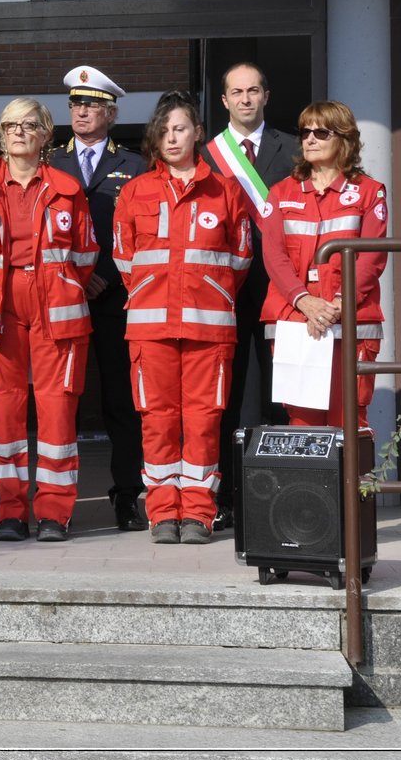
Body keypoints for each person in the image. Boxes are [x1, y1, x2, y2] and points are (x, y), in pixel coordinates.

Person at [114, 91, 251, 545]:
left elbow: (240, 259)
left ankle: (198, 513)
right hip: (150, 329)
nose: (172, 137)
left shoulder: (225, 190)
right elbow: (124, 258)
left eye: (181, 129)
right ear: (156, 137)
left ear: (197, 134)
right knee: (156, 418)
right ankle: (161, 513)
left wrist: (208, 294)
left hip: (209, 329)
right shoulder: (134, 191)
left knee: (203, 420)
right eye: (165, 130)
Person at [0, 100, 96, 542]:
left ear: (45, 135)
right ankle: (11, 513)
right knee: (4, 415)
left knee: (58, 414)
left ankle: (55, 514)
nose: (18, 132)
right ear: (1, 135)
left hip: (55, 306)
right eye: (10, 125)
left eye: (29, 125)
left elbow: (84, 256)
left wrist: (56, 284)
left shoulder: (68, 189)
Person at [47, 65, 148, 531]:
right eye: (75, 103)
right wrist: (76, 274)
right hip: (59, 296)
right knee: (57, 403)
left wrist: (101, 275)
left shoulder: (135, 166)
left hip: (112, 297)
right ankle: (56, 502)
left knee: (121, 404)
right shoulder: (49, 163)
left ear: (110, 113)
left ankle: (127, 493)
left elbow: (140, 234)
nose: (80, 111)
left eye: (90, 104)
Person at [202, 62, 298, 528]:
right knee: (230, 393)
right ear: (224, 101)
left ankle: (277, 495)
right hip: (225, 289)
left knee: (279, 394)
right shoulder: (207, 155)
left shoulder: (296, 149)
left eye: (253, 91)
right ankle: (231, 496)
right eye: (236, 92)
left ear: (266, 95)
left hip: (282, 289)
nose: (245, 99)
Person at [259, 102, 387, 428]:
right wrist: (307, 302)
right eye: (305, 132)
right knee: (303, 419)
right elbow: (274, 256)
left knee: (350, 416)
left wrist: (338, 304)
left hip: (351, 316)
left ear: (343, 138)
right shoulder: (281, 193)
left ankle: (354, 483)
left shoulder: (369, 192)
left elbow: (371, 257)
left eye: (321, 132)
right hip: (295, 316)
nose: (310, 139)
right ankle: (311, 484)